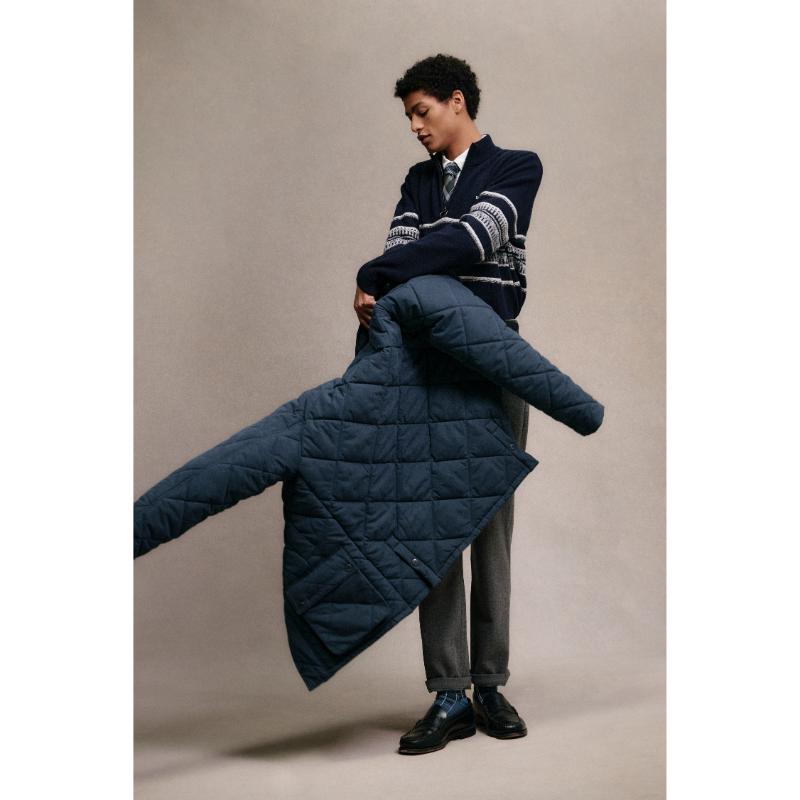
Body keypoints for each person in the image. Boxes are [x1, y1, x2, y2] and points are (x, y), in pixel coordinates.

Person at [353, 54, 544, 755]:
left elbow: (470, 240)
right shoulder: (417, 181)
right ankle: (449, 693)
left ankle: (489, 683)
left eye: (421, 111)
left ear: (456, 101)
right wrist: (399, 273)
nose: (414, 126)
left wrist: (374, 274)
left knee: (491, 529)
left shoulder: (516, 168)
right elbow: (409, 255)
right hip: (427, 371)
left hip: (494, 367)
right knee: (430, 533)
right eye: (409, 115)